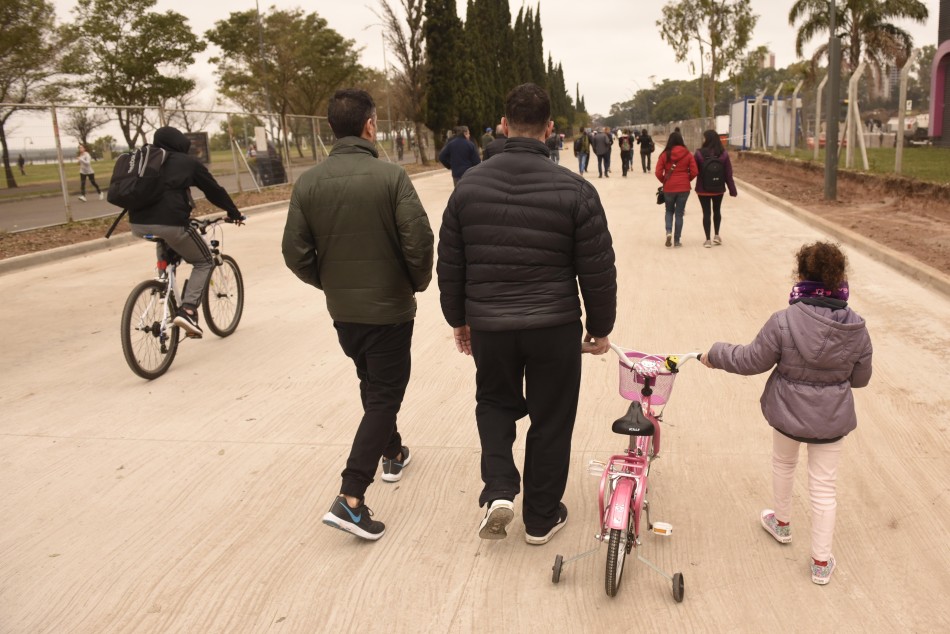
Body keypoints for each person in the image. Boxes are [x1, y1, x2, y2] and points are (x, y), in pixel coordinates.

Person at [437, 83, 617, 545]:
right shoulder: (576, 189)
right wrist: (600, 327)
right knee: (552, 417)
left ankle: (498, 487)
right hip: (553, 326)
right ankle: (540, 517)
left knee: (494, 402)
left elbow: (451, 261)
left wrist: (458, 318)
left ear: (503, 125)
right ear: (550, 128)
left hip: (491, 325)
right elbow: (596, 268)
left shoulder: (468, 187)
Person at [282, 89, 434, 542]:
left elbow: (295, 252)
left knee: (371, 381)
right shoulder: (391, 177)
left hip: (344, 311)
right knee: (385, 393)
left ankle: (393, 451)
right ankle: (351, 498)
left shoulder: (308, 183)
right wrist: (415, 283)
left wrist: (328, 282)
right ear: (370, 125)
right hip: (389, 309)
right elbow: (419, 243)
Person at [700, 241, 872, 586]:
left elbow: (750, 361)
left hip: (787, 412)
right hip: (831, 418)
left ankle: (781, 523)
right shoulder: (857, 328)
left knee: (783, 464)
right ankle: (821, 562)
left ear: (801, 276)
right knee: (824, 488)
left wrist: (715, 354)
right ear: (841, 278)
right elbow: (861, 379)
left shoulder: (784, 321)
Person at [128, 126, 245, 337]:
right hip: (171, 223)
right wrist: (233, 212)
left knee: (167, 240)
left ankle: (163, 283)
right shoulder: (187, 163)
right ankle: (188, 310)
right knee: (204, 261)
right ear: (179, 143)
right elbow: (213, 190)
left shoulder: (144, 161)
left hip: (137, 225)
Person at [694, 129, 738, 248]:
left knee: (706, 213)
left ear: (707, 139)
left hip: (702, 189)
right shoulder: (723, 153)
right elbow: (728, 173)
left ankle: (707, 240)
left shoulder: (699, 153)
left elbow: (693, 171)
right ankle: (717, 235)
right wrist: (732, 189)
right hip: (719, 188)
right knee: (717, 211)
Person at [654, 131, 697, 248]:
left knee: (669, 211)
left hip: (669, 187)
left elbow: (658, 172)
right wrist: (687, 179)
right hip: (684, 187)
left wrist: (664, 181)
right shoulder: (687, 154)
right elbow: (695, 171)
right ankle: (677, 241)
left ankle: (668, 232)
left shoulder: (664, 155)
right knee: (679, 214)